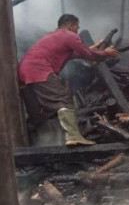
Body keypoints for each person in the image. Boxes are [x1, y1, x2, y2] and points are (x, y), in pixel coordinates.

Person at [18, 14, 119, 146]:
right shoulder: (69, 36)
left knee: (41, 112)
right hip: (39, 70)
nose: (78, 30)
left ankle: (44, 141)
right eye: (77, 27)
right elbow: (87, 55)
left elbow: (76, 54)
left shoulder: (54, 36)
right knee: (63, 101)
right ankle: (73, 136)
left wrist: (93, 49)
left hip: (25, 72)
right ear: (71, 26)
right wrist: (106, 53)